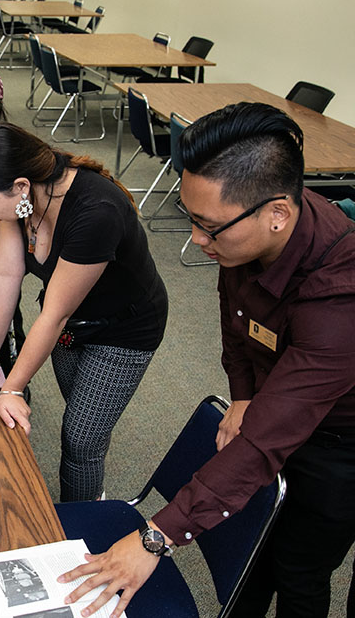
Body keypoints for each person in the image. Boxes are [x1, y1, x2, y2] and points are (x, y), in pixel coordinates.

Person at [61, 103, 355, 618]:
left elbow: (267, 439)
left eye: (209, 227)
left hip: (341, 442)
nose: (198, 240)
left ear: (278, 213)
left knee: (299, 567)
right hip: (274, 402)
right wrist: (242, 394)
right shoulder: (246, 238)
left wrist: (155, 537)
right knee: (255, 558)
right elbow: (235, 320)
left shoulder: (339, 298)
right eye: (191, 218)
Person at [0, 122, 168, 503]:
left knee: (80, 439)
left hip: (124, 329)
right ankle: (88, 484)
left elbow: (53, 316)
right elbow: (5, 272)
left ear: (19, 185)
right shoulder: (24, 199)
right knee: (82, 415)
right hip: (73, 325)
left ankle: (83, 518)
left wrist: (12, 387)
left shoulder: (96, 211)